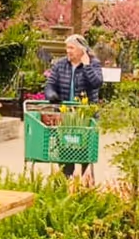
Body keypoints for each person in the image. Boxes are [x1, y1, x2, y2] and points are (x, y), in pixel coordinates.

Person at [41, 34, 103, 180]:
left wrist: (87, 65)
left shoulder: (93, 63)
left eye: (71, 48)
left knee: (84, 154)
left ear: (82, 49)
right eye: (67, 48)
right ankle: (64, 183)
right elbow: (50, 84)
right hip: (65, 117)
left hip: (85, 117)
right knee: (65, 151)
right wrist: (51, 95)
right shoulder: (60, 64)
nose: (68, 51)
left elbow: (97, 83)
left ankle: (85, 186)